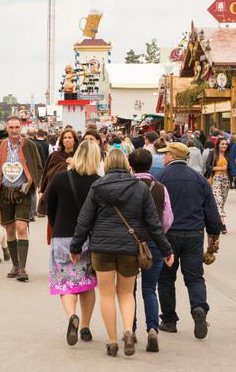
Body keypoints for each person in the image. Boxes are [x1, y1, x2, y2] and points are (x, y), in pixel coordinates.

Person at [70, 149, 173, 357]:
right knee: (126, 293)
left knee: (107, 294)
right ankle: (128, 330)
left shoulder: (97, 187)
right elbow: (153, 224)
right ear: (127, 165)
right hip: (129, 248)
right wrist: (166, 250)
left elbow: (84, 220)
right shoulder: (139, 188)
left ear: (107, 165)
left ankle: (113, 341)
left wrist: (76, 246)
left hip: (102, 248)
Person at [155, 142, 223, 339]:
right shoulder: (199, 179)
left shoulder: (161, 177)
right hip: (194, 234)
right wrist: (214, 234)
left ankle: (169, 320)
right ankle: (199, 307)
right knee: (194, 277)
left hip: (168, 234)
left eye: (166, 154)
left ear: (173, 155)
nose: (163, 157)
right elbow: (211, 210)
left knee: (166, 278)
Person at [47, 140, 100, 346]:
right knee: (87, 284)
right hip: (89, 237)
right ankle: (86, 326)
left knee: (66, 282)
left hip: (62, 235)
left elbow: (50, 207)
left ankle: (71, 316)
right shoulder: (98, 181)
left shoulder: (61, 178)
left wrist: (56, 225)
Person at [0, 116, 43, 282]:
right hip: (4, 192)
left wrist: (32, 181)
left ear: (21, 128)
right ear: (6, 128)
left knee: (21, 227)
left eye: (17, 127)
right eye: (11, 127)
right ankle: (15, 266)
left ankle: (23, 268)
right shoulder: (0, 145)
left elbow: (38, 168)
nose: (14, 130)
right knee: (9, 229)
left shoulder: (30, 145)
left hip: (22, 193)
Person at [129, 149, 174, 352]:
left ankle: (131, 328)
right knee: (149, 289)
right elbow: (167, 219)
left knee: (128, 290)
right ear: (150, 166)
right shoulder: (160, 188)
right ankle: (153, 329)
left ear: (131, 166)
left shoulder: (127, 186)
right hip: (154, 243)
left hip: (129, 243)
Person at [40, 128, 80, 240]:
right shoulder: (55, 156)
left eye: (70, 137)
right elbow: (48, 174)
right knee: (57, 227)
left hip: (74, 195)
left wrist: (75, 163)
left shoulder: (80, 156)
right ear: (61, 140)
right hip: (57, 195)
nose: (67, 140)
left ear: (75, 140)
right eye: (65, 138)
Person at [206, 137, 230, 234]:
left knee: (221, 202)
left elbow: (231, 167)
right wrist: (220, 168)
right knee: (218, 201)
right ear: (218, 145)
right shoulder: (213, 154)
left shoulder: (228, 155)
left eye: (225, 144)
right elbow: (208, 167)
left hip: (226, 180)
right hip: (216, 179)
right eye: (222, 144)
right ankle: (222, 225)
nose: (224, 146)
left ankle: (216, 221)